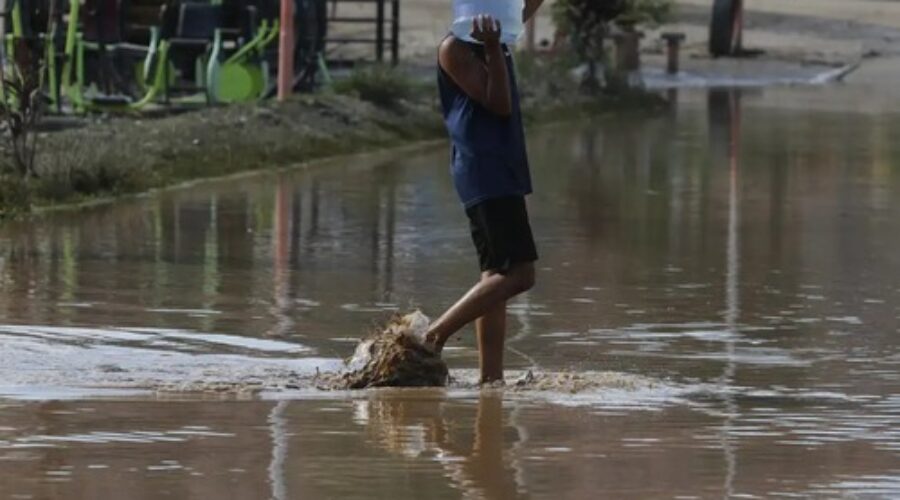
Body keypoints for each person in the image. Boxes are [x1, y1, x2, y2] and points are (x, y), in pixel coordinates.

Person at [419, 1, 545, 384]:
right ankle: (431, 337)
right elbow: (499, 104)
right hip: (485, 171)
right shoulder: (455, 49)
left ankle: (491, 379)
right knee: (521, 275)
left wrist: (495, 40)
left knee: (495, 276)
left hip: (498, 167)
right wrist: (491, 47)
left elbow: (526, 6)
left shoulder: (498, 33)